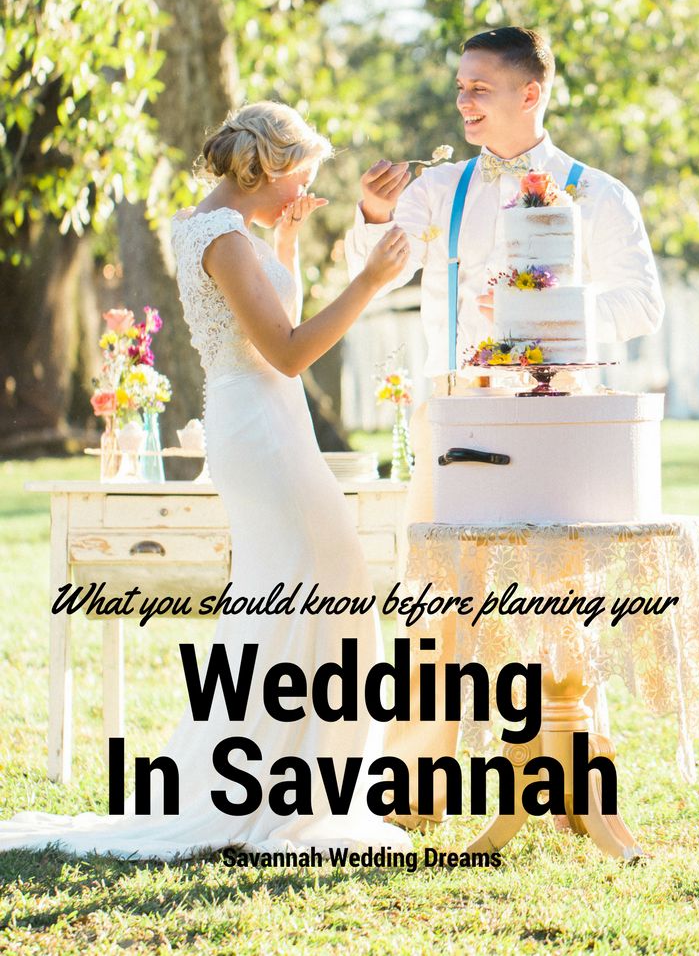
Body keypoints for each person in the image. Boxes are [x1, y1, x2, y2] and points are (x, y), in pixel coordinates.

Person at [0, 100, 413, 861]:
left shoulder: (233, 232)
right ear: (267, 169)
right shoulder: (222, 238)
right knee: (324, 581)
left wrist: (286, 245)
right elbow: (286, 353)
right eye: (300, 182)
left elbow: (269, 324)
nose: (303, 197)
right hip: (258, 426)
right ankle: (281, 790)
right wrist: (368, 282)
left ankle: (291, 779)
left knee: (297, 586)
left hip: (266, 420)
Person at [344, 26, 666, 829]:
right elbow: (372, 269)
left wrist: (549, 317)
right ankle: (417, 784)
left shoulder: (596, 194)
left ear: (531, 93)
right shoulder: (438, 187)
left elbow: (640, 305)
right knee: (432, 598)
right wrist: (371, 212)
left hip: (559, 424)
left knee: (559, 599)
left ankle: (567, 781)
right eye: (458, 87)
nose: (462, 101)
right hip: (452, 411)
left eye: (478, 88)